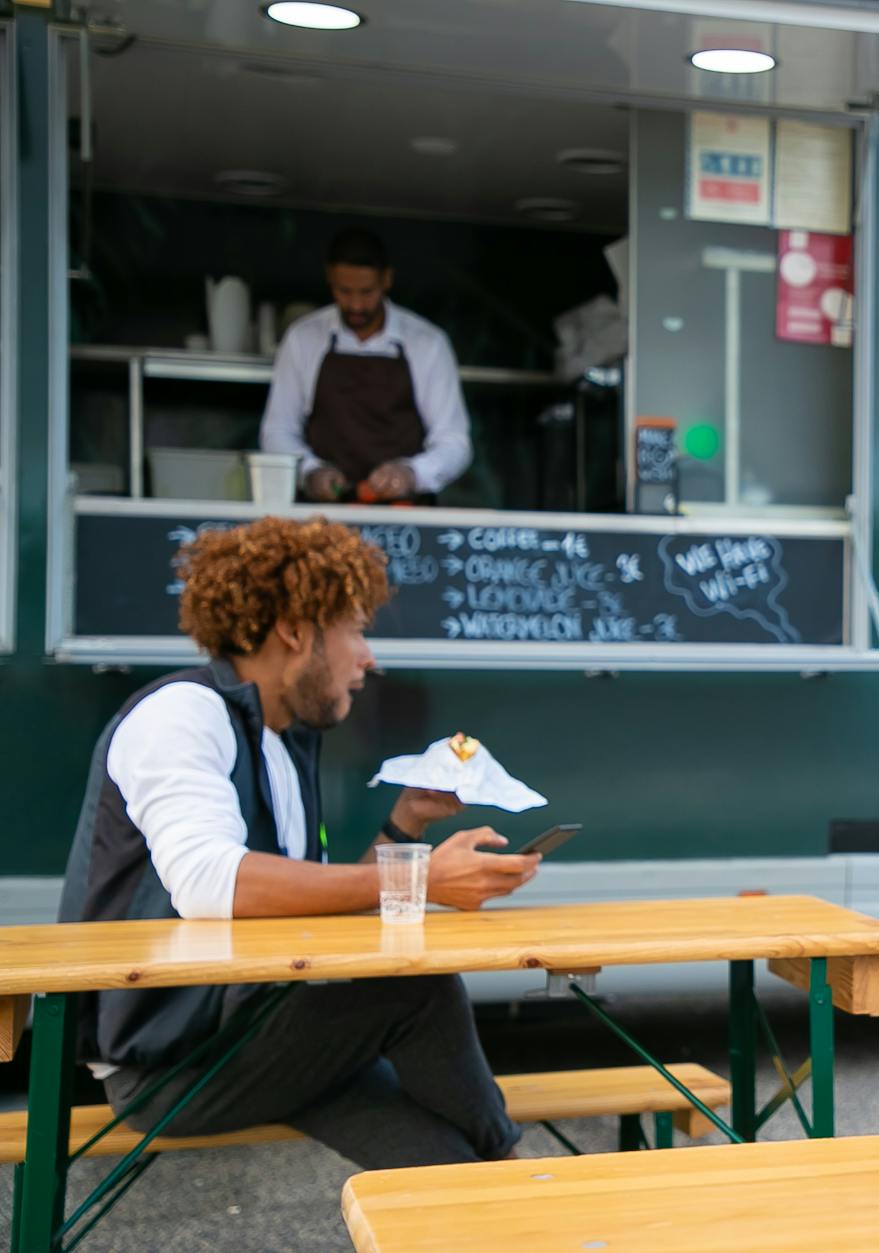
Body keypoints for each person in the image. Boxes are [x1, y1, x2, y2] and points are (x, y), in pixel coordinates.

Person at [59, 515, 540, 1168]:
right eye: (357, 630)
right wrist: (419, 880)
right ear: (295, 629)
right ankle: (518, 1165)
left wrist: (406, 824)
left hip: (257, 1033)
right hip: (168, 1061)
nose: (368, 657)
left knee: (443, 1162)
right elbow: (210, 882)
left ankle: (506, 1186)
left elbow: (313, 901)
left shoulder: (280, 743)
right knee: (416, 988)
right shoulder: (180, 714)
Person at [259, 227, 472, 504]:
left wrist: (411, 474)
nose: (356, 305)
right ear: (330, 278)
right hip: (323, 518)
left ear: (387, 279)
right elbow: (277, 430)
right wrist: (310, 471)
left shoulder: (427, 343)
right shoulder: (304, 338)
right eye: (344, 291)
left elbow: (454, 442)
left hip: (404, 516)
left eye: (367, 292)